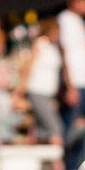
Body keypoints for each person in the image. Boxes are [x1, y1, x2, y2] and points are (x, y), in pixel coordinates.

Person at [58, 0, 85, 166]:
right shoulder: (65, 20)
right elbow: (64, 53)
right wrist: (69, 85)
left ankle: (75, 164)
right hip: (76, 83)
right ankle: (67, 165)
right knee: (68, 128)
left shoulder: (79, 22)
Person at [25, 18, 64, 146]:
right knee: (55, 128)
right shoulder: (40, 44)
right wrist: (21, 88)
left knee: (38, 128)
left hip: (48, 94)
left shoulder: (53, 47)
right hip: (37, 91)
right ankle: (59, 165)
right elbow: (29, 66)